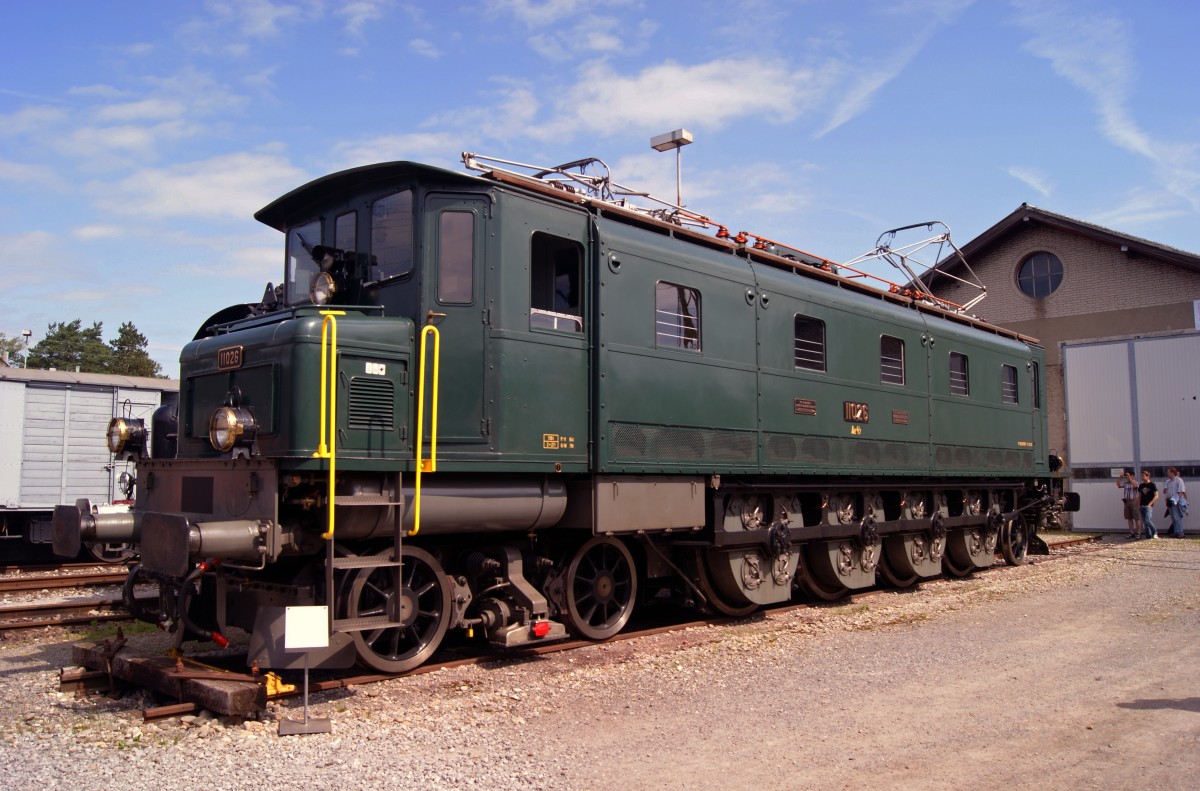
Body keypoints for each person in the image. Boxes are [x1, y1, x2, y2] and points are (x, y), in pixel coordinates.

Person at [1162, 467, 1188, 538]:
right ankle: (1176, 532)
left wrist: (1176, 501)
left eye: (1168, 472)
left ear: (1172, 473)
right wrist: (1167, 500)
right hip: (1169, 501)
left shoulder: (1179, 480)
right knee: (1173, 517)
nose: (1167, 473)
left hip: (1176, 501)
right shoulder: (1168, 482)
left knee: (1177, 517)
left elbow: (1180, 492)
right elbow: (1165, 491)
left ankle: (1180, 532)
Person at [1116, 470, 1141, 538]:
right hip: (1127, 501)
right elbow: (1118, 485)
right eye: (1127, 476)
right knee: (1129, 518)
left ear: (1133, 476)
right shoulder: (1126, 484)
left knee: (1136, 518)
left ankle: (1139, 533)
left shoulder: (1136, 482)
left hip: (1134, 501)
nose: (1127, 477)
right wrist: (1120, 478)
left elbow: (1135, 486)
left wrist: (1130, 479)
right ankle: (1131, 533)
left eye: (1129, 476)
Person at [1137, 470, 1159, 539]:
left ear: (1148, 476)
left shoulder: (1152, 485)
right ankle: (1148, 535)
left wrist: (1150, 504)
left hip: (1148, 505)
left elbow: (1156, 496)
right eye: (1142, 476)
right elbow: (1139, 496)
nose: (1142, 477)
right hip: (1142, 505)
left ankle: (1155, 532)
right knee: (1145, 522)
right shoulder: (1141, 485)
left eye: (1143, 476)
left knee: (1147, 520)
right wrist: (1138, 504)